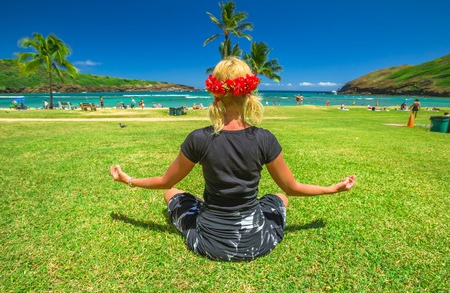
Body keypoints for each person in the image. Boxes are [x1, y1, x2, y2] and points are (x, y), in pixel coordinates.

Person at [110, 57, 355, 261]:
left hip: (210, 243)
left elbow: (165, 181)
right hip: (256, 241)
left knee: (171, 193)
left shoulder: (199, 138)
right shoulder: (264, 138)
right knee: (280, 197)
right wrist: (330, 189)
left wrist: (128, 179)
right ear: (249, 92)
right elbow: (291, 188)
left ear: (215, 91)